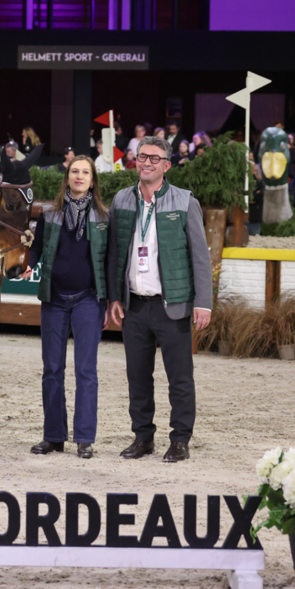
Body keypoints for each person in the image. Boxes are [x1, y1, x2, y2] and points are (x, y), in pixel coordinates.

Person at [107, 135, 213, 463]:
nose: (147, 163)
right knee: (137, 376)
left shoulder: (184, 201)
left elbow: (200, 256)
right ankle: (143, 437)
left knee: (179, 377)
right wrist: (114, 297)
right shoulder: (122, 200)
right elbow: (113, 254)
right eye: (142, 157)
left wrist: (203, 302)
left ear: (166, 165)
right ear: (135, 161)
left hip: (174, 306)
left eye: (155, 158)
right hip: (134, 305)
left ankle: (180, 440)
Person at [25, 156, 110, 459]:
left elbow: (109, 260)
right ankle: (53, 436)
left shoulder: (103, 216)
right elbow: (36, 247)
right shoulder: (50, 214)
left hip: (88, 299)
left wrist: (111, 301)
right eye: (75, 171)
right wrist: (29, 265)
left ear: (92, 179)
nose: (79, 176)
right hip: (55, 299)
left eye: (85, 172)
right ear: (67, 177)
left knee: (86, 370)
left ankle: (84, 438)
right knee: (52, 369)